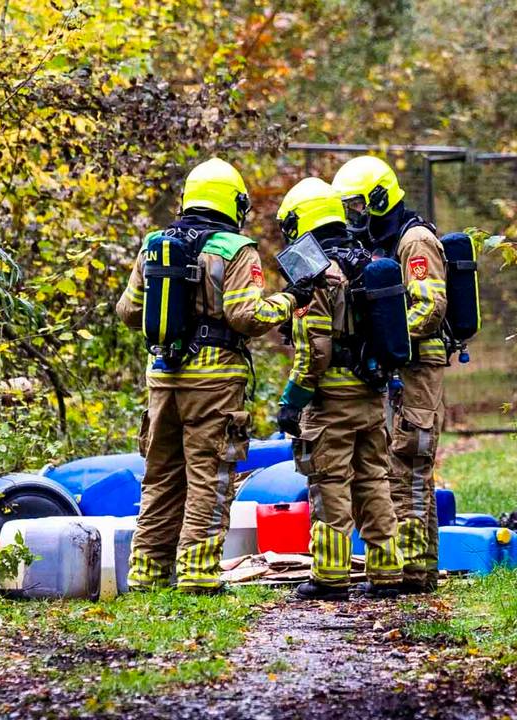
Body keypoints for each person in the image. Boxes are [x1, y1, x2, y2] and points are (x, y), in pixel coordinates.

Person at [116, 158, 315, 594]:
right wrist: (290, 300)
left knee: (160, 477)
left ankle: (147, 575)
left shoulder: (155, 243)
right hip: (214, 382)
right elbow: (245, 315)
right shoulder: (234, 249)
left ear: (189, 197)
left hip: (163, 378)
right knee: (209, 476)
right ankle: (197, 575)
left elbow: (128, 311)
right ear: (235, 203)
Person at [273, 177, 403, 601]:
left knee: (329, 483)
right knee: (373, 481)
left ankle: (330, 577)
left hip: (331, 399)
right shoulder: (367, 258)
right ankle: (385, 572)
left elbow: (315, 348)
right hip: (371, 394)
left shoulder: (316, 272)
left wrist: (294, 400)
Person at [333, 155, 448, 595]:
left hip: (420, 365)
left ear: (380, 198)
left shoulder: (414, 240)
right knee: (393, 464)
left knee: (410, 463)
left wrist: (384, 339)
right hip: (398, 365)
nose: (353, 216)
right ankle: (409, 567)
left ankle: (415, 574)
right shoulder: (380, 243)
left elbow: (429, 308)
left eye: (359, 206)